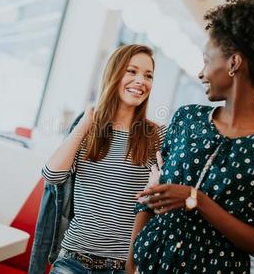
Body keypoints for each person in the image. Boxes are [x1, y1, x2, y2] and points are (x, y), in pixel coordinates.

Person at [127, 0, 254, 274]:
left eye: (207, 61)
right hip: (149, 264)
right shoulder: (187, 119)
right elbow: (150, 199)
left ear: (234, 63)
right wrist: (130, 264)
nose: (201, 73)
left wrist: (198, 200)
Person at [33, 44, 166, 274]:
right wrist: (86, 123)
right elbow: (52, 176)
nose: (140, 81)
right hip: (71, 259)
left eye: (148, 75)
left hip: (119, 267)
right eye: (132, 71)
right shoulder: (87, 126)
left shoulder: (156, 136)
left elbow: (161, 204)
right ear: (114, 74)